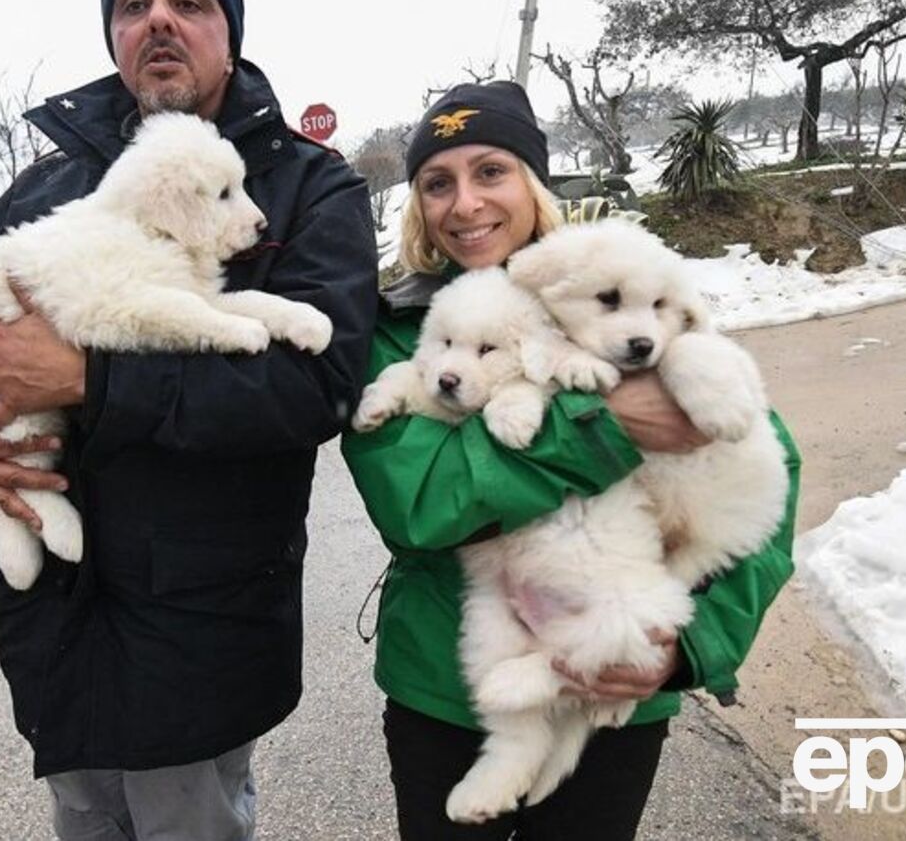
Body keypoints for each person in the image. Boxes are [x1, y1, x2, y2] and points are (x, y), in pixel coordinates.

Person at [0, 0, 378, 840]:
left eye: (188, 2)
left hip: (203, 619)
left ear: (229, 30)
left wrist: (90, 380)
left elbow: (321, 384)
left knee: (190, 820)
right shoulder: (45, 188)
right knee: (84, 815)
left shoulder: (308, 189)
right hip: (55, 620)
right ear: (112, 36)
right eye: (133, 5)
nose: (159, 21)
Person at [341, 81, 800, 840]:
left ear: (534, 182)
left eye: (491, 170)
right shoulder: (398, 332)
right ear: (416, 205)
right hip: (446, 689)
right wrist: (607, 426)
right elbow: (417, 500)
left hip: (620, 680)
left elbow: (757, 482)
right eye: (436, 182)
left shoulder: (618, 294)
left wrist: (689, 646)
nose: (465, 203)